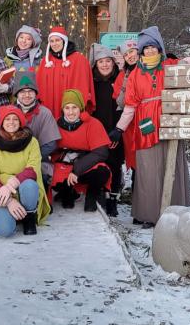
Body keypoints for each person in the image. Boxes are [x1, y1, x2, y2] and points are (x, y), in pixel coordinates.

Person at [112, 18, 190, 228]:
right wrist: (118, 128)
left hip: (170, 123)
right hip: (145, 126)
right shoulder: (135, 75)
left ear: (159, 48)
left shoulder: (170, 65)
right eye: (145, 48)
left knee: (172, 166)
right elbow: (130, 107)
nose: (149, 51)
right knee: (148, 171)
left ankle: (175, 211)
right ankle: (150, 215)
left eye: (152, 47)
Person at [0, 105, 51, 237]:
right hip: (1, 192)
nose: (11, 122)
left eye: (15, 119)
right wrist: (9, 200)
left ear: (20, 122)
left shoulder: (31, 142)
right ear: (2, 122)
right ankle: (14, 212)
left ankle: (29, 217)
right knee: (5, 231)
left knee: (29, 184)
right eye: (7, 119)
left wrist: (11, 184)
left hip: (21, 187)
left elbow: (32, 169)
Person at [51, 89, 111, 212]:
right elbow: (51, 149)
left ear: (81, 108)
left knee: (102, 172)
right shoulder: (55, 123)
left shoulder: (93, 123)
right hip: (64, 163)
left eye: (74, 107)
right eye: (67, 108)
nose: (71, 112)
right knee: (50, 175)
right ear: (63, 109)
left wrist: (76, 170)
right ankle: (68, 192)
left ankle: (92, 194)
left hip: (86, 163)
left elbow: (101, 152)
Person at [90, 44, 124, 217]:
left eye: (108, 61)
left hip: (116, 131)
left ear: (113, 62)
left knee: (115, 165)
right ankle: (100, 195)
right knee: (100, 165)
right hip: (97, 131)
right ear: (96, 64)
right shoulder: (92, 83)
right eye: (101, 62)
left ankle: (113, 200)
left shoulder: (119, 79)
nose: (105, 65)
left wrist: (119, 131)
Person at [12, 71, 61, 188]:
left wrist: (29, 158)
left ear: (35, 93)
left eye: (30, 91)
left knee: (41, 176)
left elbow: (51, 144)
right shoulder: (9, 112)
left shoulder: (45, 113)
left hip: (38, 159)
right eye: (22, 92)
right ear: (17, 94)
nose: (27, 95)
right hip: (12, 159)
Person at [36, 26, 95, 119]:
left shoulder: (79, 60)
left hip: (72, 112)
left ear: (64, 41)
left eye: (57, 40)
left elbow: (83, 85)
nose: (54, 44)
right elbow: (40, 86)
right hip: (51, 108)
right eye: (52, 41)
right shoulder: (46, 61)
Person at [113, 39, 139, 172]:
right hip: (128, 123)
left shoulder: (148, 70)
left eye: (132, 51)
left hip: (146, 118)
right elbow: (119, 100)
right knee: (133, 153)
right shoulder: (122, 75)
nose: (130, 56)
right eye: (126, 54)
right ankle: (136, 183)